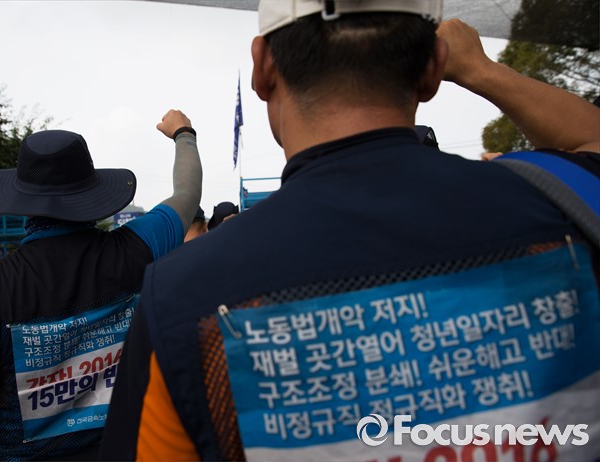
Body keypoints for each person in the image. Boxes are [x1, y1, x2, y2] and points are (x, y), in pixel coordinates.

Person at [100, 2, 600, 461]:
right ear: (433, 69)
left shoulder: (184, 295)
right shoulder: (562, 203)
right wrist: (479, 69)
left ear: (263, 68)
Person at [0, 109, 202, 460]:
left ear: (21, 200)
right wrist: (184, 133)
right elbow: (187, 193)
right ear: (91, 192)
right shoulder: (139, 247)